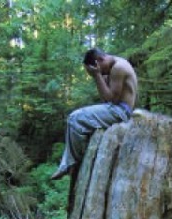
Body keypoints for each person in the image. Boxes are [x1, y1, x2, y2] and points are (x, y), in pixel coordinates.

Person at [50, 48, 138, 180]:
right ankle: (70, 162)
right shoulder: (111, 66)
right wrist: (100, 75)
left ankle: (74, 162)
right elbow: (106, 99)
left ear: (100, 61)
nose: (101, 73)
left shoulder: (118, 67)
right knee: (76, 120)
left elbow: (110, 99)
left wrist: (97, 76)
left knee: (75, 118)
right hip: (115, 108)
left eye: (100, 70)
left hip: (121, 111)